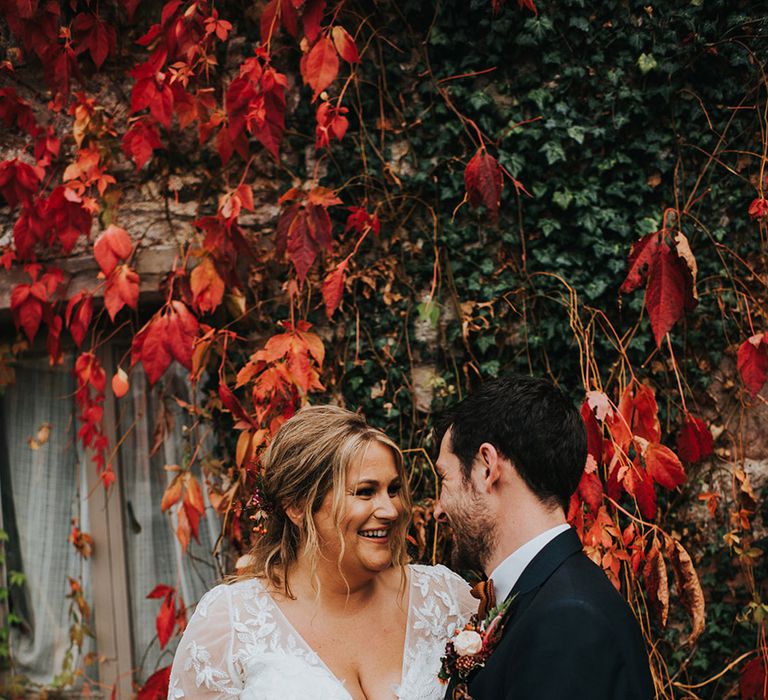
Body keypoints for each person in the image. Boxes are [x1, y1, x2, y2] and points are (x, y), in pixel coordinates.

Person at [169, 405, 475, 699]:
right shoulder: (231, 624)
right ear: (298, 506)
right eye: (365, 492)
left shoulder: (444, 599)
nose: (391, 510)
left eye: (393, 490)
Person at [433, 374, 655, 700]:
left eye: (444, 479)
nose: (438, 509)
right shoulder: (543, 598)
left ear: (486, 467)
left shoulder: (568, 621)